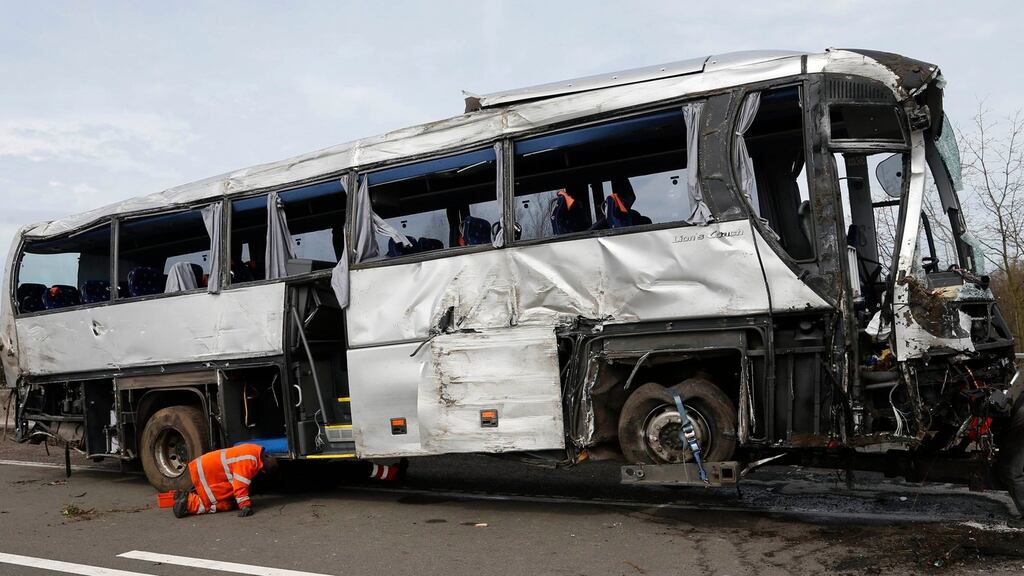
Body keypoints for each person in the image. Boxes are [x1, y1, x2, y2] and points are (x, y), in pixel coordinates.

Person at [172, 443, 278, 519]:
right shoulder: (249, 462)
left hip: (206, 467)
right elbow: (240, 485)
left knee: (224, 500)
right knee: (219, 504)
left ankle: (187, 496)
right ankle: (188, 504)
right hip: (207, 472)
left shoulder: (254, 451)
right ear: (263, 469)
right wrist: (244, 506)